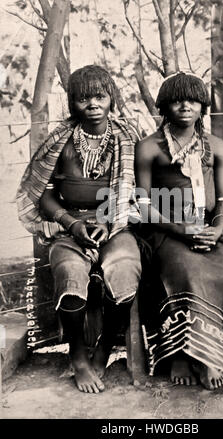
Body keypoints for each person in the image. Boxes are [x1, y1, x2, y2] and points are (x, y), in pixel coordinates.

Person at [135, 72, 223, 397]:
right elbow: (142, 203)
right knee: (188, 272)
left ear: (202, 106)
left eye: (192, 99)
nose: (185, 106)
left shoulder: (214, 146)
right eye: (177, 100)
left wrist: (217, 229)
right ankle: (184, 355)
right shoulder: (150, 147)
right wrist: (180, 229)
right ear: (165, 105)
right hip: (165, 231)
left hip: (207, 229)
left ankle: (218, 352)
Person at [17, 65, 142, 394]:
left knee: (125, 267)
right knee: (71, 271)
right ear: (73, 102)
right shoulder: (60, 141)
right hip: (69, 227)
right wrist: (71, 224)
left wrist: (108, 219)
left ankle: (102, 350)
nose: (93, 104)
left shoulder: (127, 138)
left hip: (115, 224)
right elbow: (41, 192)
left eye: (100, 96)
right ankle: (78, 358)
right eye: (84, 98)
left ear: (111, 98)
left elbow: (140, 191)